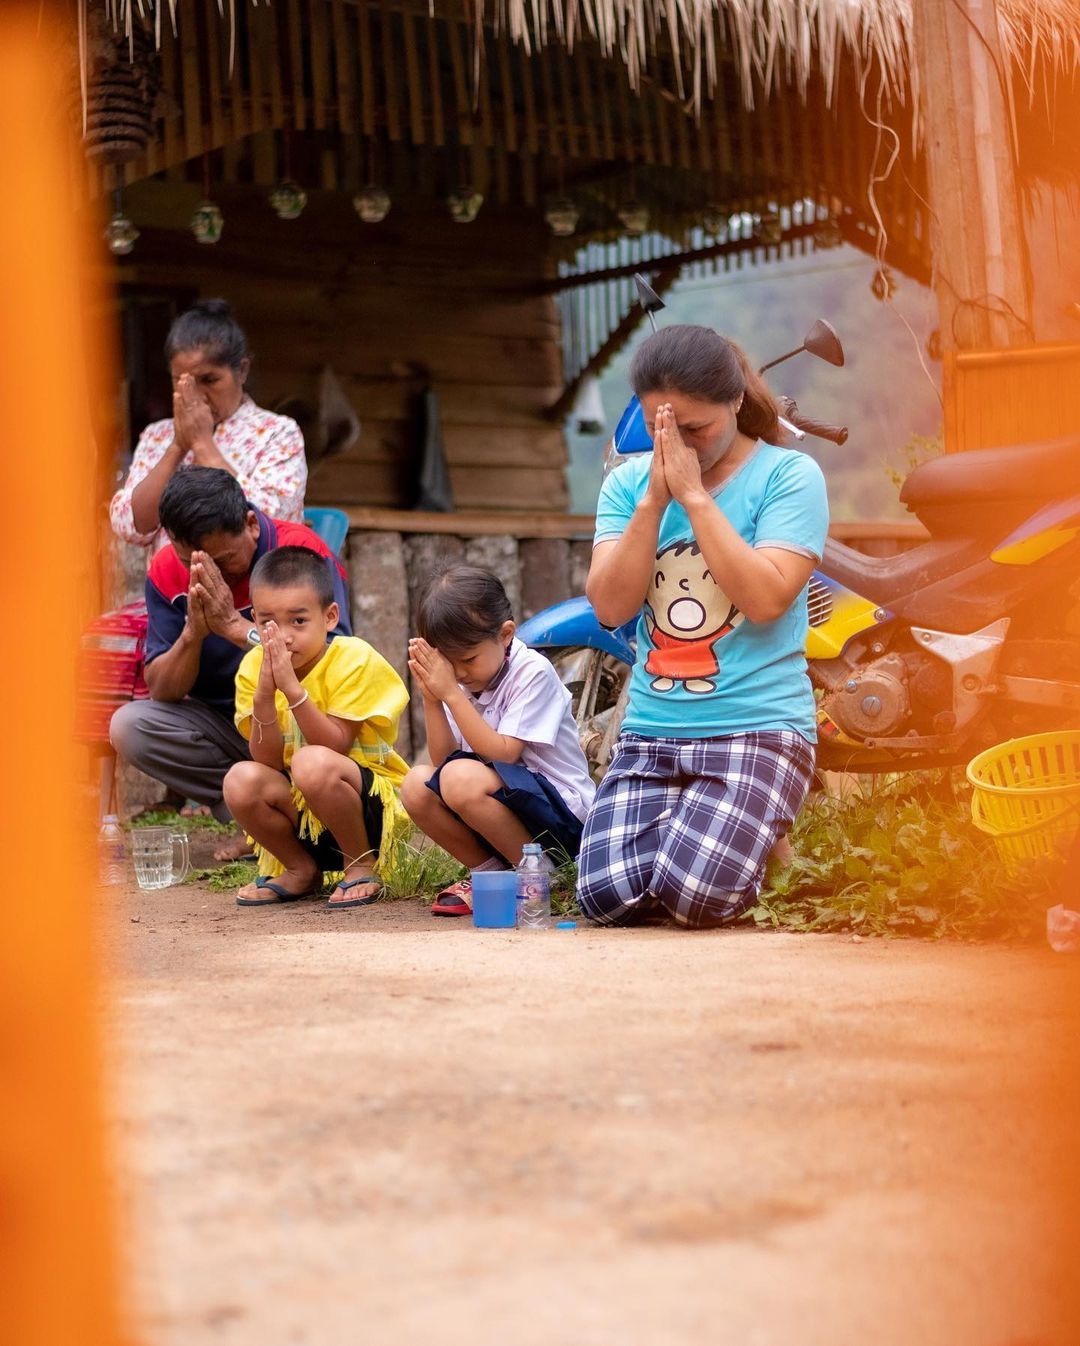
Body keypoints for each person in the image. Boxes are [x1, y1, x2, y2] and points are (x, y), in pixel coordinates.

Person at [576, 324, 829, 929]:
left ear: (736, 400)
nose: (680, 444)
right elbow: (610, 608)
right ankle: (724, 826)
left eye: (696, 429)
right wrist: (652, 503)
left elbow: (767, 600)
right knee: (605, 898)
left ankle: (752, 835)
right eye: (664, 428)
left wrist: (694, 499)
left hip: (758, 727)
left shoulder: (789, 477)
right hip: (652, 730)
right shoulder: (627, 486)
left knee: (695, 898)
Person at [108, 467, 351, 840]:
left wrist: (237, 630)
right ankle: (252, 812)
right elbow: (163, 691)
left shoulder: (299, 553)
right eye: (191, 562)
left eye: (224, 560)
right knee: (130, 726)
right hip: (225, 725)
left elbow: (336, 654)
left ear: (251, 524)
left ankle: (288, 812)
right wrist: (193, 633)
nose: (210, 573)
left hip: (300, 724)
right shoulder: (167, 572)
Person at [400, 564, 596, 917]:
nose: (459, 673)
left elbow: (504, 751)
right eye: (449, 663)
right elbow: (445, 760)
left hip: (564, 817)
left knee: (460, 779)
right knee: (416, 784)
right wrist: (432, 698)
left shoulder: (531, 671)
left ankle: (544, 878)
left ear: (505, 635)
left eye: (468, 659)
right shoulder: (459, 681)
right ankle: (492, 874)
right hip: (508, 808)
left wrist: (453, 696)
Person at [225, 547, 410, 908]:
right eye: (268, 623)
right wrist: (265, 693)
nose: (284, 637)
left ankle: (359, 864)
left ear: (329, 616)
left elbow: (335, 745)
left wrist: (292, 689)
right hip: (303, 810)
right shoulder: (252, 668)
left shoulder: (353, 658)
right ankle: (299, 870)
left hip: (365, 811)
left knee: (312, 761)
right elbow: (266, 758)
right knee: (240, 779)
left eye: (298, 621)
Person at [110, 298, 306, 548]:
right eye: (182, 381)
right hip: (172, 586)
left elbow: (273, 518)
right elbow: (131, 526)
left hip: (253, 586)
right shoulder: (157, 436)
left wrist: (202, 444)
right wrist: (177, 447)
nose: (197, 394)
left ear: (242, 370)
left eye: (209, 380)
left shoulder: (277, 433)